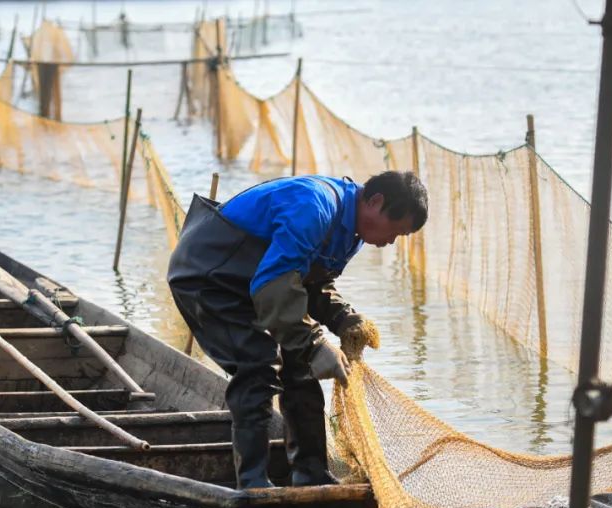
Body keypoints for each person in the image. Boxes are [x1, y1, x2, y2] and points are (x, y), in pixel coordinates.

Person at [167, 171, 428, 490]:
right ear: (376, 201)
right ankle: (252, 484)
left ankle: (310, 473)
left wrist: (343, 318)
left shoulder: (353, 230)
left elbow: (310, 282)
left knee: (300, 364)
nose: (390, 242)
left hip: (252, 282)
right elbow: (274, 284)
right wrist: (315, 343)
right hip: (208, 276)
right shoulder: (314, 207)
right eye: (395, 232)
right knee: (259, 363)